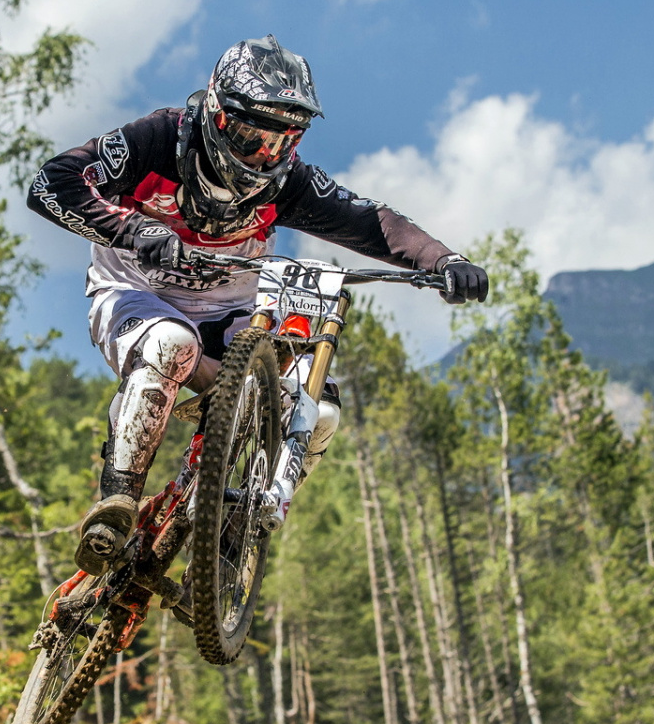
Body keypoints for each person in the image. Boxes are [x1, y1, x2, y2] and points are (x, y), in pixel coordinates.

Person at [26, 35, 489, 577]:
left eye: (282, 141)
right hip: (136, 294)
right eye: (252, 137)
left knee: (318, 411)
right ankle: (116, 502)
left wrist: (442, 259)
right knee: (171, 344)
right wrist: (132, 229)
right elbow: (51, 183)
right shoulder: (157, 139)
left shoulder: (288, 181)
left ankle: (235, 542)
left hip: (230, 313)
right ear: (218, 115)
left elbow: (372, 222)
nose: (265, 155)